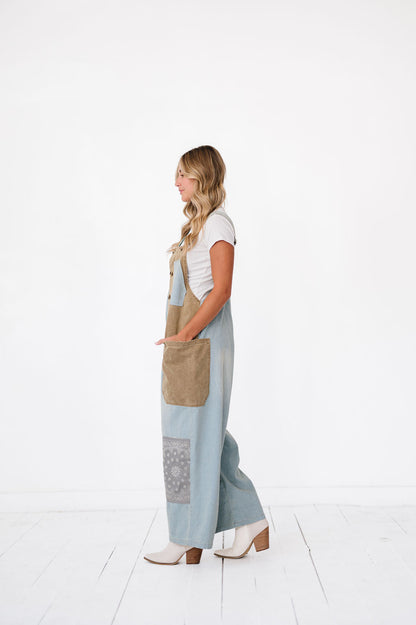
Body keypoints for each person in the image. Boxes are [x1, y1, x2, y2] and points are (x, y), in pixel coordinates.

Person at [144, 145, 269, 565]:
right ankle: (249, 518)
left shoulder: (217, 223)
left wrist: (184, 334)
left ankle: (184, 536)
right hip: (191, 346)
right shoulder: (199, 225)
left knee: (185, 444)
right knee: (201, 439)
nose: (176, 182)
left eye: (183, 174)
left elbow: (222, 289)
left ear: (202, 177)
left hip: (203, 345)